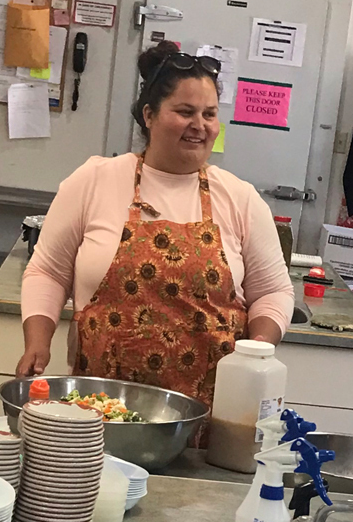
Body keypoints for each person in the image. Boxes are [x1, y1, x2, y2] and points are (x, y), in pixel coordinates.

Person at [19, 41, 294, 410]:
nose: (199, 126)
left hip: (212, 413)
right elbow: (47, 272)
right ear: (149, 115)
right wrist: (38, 341)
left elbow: (274, 292)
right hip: (102, 405)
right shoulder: (94, 180)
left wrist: (256, 350)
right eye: (185, 111)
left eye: (210, 114)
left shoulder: (240, 198)